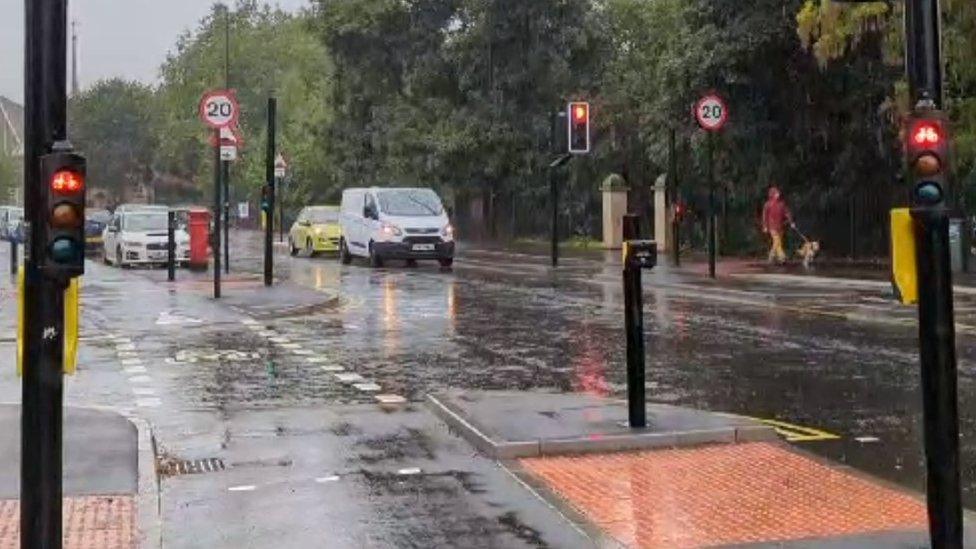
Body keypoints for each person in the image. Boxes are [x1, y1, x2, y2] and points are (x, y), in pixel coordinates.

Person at [762, 186, 794, 264]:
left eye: (778, 193)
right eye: (776, 193)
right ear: (772, 194)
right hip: (772, 226)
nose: (778, 194)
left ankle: (771, 257)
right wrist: (765, 226)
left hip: (780, 226)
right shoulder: (767, 204)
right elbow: (764, 216)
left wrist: (791, 222)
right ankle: (782, 257)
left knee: (777, 242)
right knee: (777, 241)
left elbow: (787, 213)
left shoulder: (781, 204)